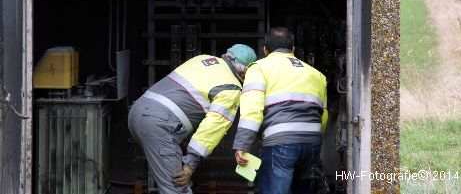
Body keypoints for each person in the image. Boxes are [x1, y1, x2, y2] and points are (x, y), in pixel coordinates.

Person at [128, 44, 257, 194]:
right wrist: (190, 165)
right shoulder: (231, 88)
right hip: (158, 125)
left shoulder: (203, 59)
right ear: (246, 71)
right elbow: (211, 129)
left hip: (137, 111)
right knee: (177, 189)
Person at [233, 27, 328, 194]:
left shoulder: (259, 68)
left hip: (280, 142)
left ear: (265, 50)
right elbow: (324, 115)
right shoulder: (317, 74)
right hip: (312, 143)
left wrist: (242, 144)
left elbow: (252, 110)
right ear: (293, 49)